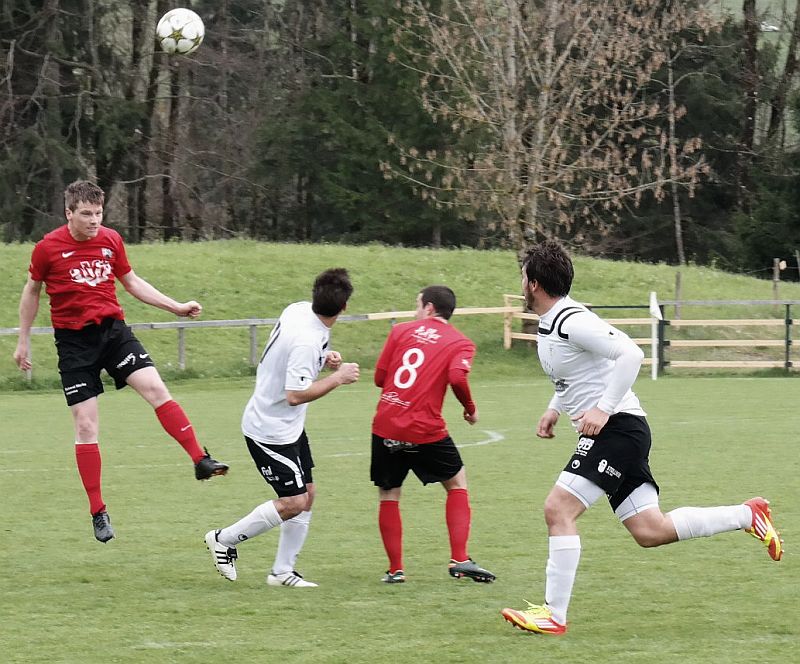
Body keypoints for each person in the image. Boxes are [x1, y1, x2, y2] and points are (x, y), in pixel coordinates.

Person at [500, 240, 784, 635]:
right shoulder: (555, 321)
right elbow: (579, 371)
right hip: (620, 432)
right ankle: (747, 515)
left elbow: (631, 354)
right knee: (650, 531)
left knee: (557, 509)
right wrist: (555, 407)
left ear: (533, 283)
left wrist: (603, 409)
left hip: (617, 429)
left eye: (523, 278)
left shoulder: (571, 320)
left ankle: (554, 615)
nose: (521, 285)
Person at [12, 180, 229, 544]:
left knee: (155, 388)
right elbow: (32, 291)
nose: (94, 220)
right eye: (86, 214)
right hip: (74, 344)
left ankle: (200, 459)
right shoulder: (47, 248)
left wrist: (176, 307)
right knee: (86, 426)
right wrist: (23, 340)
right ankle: (98, 511)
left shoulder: (111, 240)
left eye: (98, 213)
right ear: (69, 213)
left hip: (113, 333)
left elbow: (132, 282)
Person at [204, 268, 359, 588]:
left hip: (289, 427)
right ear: (344, 307)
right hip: (269, 431)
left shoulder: (299, 310)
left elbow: (290, 355)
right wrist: (337, 377)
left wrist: (323, 357)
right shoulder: (307, 340)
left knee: (308, 494)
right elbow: (294, 395)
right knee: (294, 502)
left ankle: (282, 572)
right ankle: (223, 539)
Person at [370, 285, 495, 584]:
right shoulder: (460, 342)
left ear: (428, 307)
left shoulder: (400, 331)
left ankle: (395, 570)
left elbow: (379, 379)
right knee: (457, 483)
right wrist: (470, 408)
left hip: (386, 423)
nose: (416, 310)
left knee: (389, 493)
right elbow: (457, 377)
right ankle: (460, 559)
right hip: (423, 427)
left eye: (417, 304)